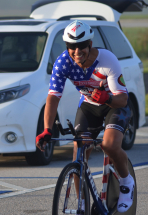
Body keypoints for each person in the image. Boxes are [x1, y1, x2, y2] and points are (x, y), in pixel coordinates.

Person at [36, 20, 135, 213]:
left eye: (81, 46)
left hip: (114, 105)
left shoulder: (107, 60)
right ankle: (81, 199)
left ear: (90, 44)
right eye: (71, 47)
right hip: (90, 106)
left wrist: (106, 96)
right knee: (79, 148)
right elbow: (53, 97)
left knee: (109, 145)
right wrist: (47, 129)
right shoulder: (63, 62)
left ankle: (126, 182)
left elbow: (122, 99)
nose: (77, 51)